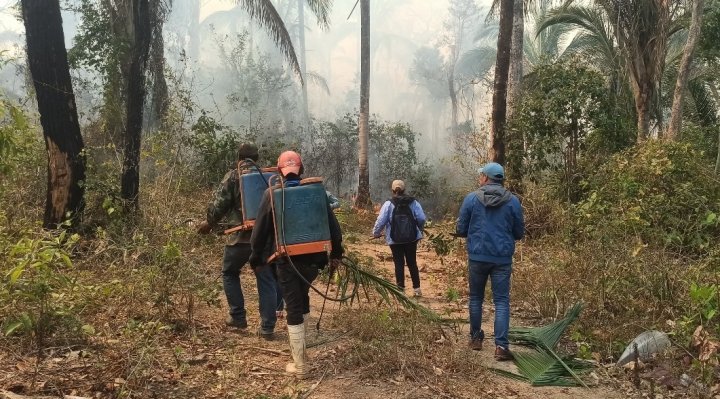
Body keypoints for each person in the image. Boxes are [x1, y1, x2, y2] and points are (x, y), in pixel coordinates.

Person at [250, 150, 344, 379]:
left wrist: (256, 259)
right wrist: (336, 256)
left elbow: (258, 235)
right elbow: (335, 230)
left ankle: (300, 366)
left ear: (279, 171)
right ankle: (302, 353)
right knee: (302, 298)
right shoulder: (317, 191)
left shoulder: (271, 194)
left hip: (287, 261)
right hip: (315, 261)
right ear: (300, 170)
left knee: (292, 305)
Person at [197, 142, 282, 340]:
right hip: (264, 239)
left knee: (229, 272)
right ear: (257, 158)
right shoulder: (268, 177)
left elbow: (218, 206)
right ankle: (268, 327)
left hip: (240, 239)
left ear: (239, 159)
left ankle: (238, 316)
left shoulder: (234, 176)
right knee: (266, 277)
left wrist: (209, 223)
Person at [455, 162, 524, 361]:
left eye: (481, 176)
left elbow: (461, 228)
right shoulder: (513, 201)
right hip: (501, 259)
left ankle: (476, 338)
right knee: (501, 301)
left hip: (477, 256)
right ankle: (501, 347)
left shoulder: (471, 199)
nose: (480, 179)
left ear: (486, 178)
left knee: (476, 298)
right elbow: (519, 232)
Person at [371, 180, 426, 297]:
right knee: (412, 262)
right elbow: (421, 218)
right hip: (412, 238)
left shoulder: (388, 204)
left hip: (394, 239)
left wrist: (376, 233)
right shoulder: (413, 202)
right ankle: (417, 289)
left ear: (392, 190)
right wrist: (419, 229)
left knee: (399, 263)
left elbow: (381, 221)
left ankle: (400, 291)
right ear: (404, 189)